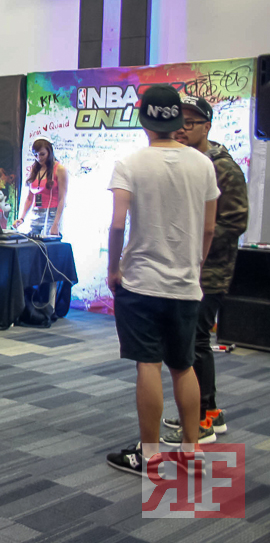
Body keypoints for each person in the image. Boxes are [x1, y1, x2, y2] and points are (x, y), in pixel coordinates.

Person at [105, 84, 219, 475]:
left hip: (140, 283)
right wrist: (195, 265)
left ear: (144, 120)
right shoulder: (203, 164)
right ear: (177, 120)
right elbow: (209, 228)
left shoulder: (130, 163)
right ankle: (192, 451)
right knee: (183, 367)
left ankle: (150, 455)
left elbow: (117, 224)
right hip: (186, 284)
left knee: (148, 366)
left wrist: (113, 269)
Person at [160, 96, 248, 446]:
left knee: (194, 341)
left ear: (207, 127)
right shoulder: (185, 161)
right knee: (194, 341)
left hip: (209, 271)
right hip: (185, 268)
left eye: (190, 122)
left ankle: (199, 423)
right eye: (178, 121)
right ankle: (208, 411)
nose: (181, 129)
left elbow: (236, 221)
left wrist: (196, 240)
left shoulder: (222, 167)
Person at [15, 137, 68, 236]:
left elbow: (62, 198)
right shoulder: (34, 169)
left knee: (47, 243)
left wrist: (56, 223)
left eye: (42, 154)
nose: (39, 158)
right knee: (32, 241)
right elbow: (29, 198)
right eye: (35, 155)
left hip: (52, 213)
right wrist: (21, 218)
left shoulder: (59, 169)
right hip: (36, 213)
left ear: (49, 152)